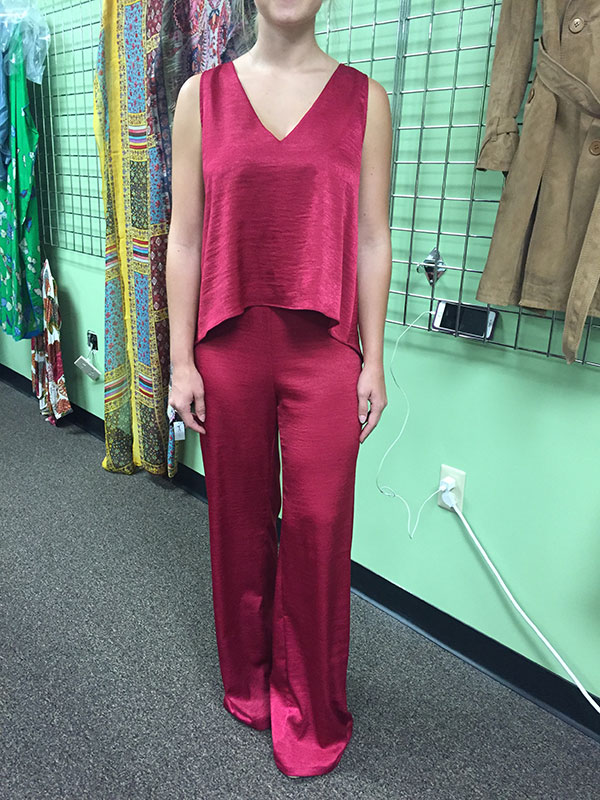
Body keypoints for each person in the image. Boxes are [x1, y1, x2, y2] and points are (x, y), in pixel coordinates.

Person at [165, 0, 392, 779]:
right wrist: (181, 360)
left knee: (320, 527)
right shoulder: (200, 97)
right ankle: (250, 681)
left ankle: (311, 705)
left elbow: (372, 237)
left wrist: (374, 359)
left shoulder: (364, 100)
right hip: (229, 343)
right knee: (238, 521)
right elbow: (184, 237)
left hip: (324, 349)